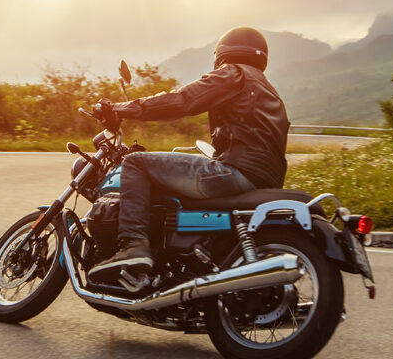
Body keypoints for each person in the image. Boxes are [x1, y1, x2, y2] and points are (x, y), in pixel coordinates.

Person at [87, 26, 290, 284]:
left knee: (135, 163)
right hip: (262, 179)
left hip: (235, 171)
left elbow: (183, 100)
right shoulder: (269, 90)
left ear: (223, 53)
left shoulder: (233, 74)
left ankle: (133, 246)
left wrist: (120, 109)